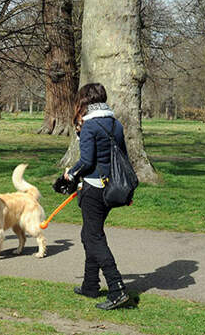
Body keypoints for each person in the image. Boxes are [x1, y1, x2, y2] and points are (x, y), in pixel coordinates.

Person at [64, 82, 130, 310]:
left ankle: (117, 288)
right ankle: (90, 285)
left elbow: (87, 161)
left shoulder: (90, 126)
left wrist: (70, 172)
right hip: (112, 189)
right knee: (90, 234)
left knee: (93, 238)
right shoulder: (116, 124)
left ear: (85, 101)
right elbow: (123, 159)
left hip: (93, 189)